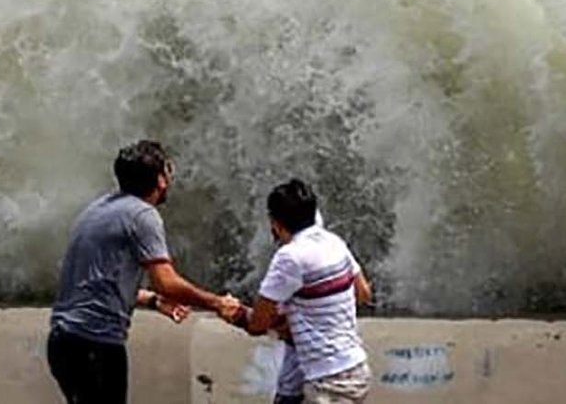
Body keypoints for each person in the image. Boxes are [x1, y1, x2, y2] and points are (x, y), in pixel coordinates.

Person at [47, 139, 241, 403]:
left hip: (65, 342)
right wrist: (217, 302)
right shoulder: (142, 215)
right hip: (94, 343)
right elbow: (166, 282)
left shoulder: (98, 210)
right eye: (168, 170)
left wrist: (152, 300)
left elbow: (97, 282)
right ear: (160, 179)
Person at [236, 179, 373, 404]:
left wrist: (234, 312)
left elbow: (258, 323)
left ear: (275, 223)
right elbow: (363, 293)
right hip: (356, 368)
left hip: (327, 382)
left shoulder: (290, 257)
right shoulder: (334, 242)